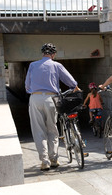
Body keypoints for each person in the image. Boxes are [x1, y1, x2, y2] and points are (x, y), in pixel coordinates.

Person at [25, 43, 81, 171]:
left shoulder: (32, 65)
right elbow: (71, 82)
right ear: (53, 54)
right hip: (51, 99)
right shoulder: (57, 65)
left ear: (43, 53)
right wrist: (76, 88)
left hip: (35, 98)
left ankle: (44, 161)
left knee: (38, 130)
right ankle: (54, 159)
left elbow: (27, 86)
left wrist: (34, 91)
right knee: (52, 129)